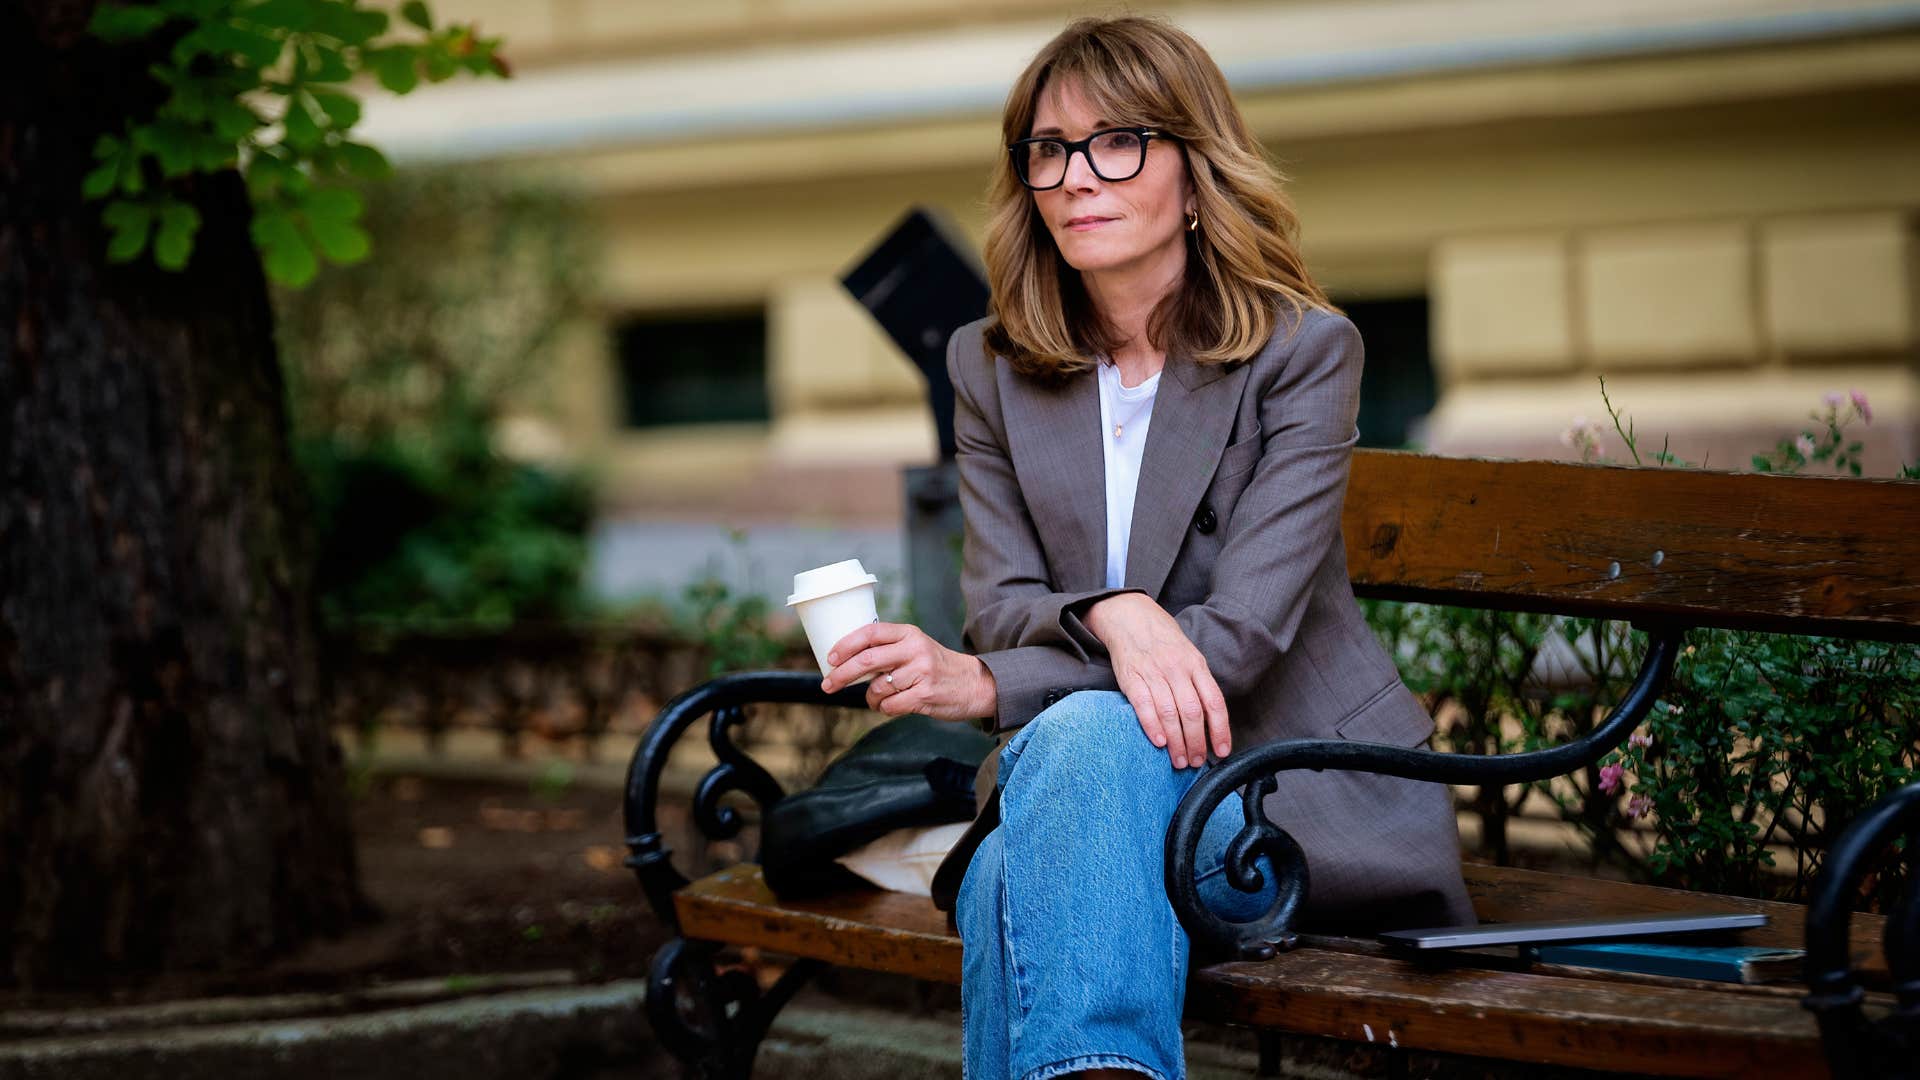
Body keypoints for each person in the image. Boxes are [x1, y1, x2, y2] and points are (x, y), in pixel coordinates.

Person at [818, 15, 1473, 1079]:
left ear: (1193, 163)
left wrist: (992, 682)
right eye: (1049, 149)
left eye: (1116, 141)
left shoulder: (1301, 354)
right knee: (1025, 843)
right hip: (1096, 803)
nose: (1079, 176)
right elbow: (1006, 597)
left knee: (1043, 809)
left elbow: (1243, 638)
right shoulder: (989, 368)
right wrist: (1109, 614)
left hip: (1278, 807)